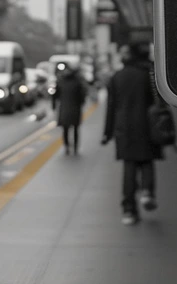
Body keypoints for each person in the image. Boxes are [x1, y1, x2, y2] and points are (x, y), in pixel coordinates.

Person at [101, 42, 162, 225]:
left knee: (129, 167)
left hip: (124, 128)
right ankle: (147, 192)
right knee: (147, 161)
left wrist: (107, 133)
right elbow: (158, 102)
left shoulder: (116, 78)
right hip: (146, 125)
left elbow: (111, 107)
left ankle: (129, 210)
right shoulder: (146, 75)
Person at [53, 66, 88, 155]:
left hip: (64, 109)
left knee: (65, 129)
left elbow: (55, 96)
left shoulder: (60, 82)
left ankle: (67, 147)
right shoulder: (77, 82)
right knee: (75, 129)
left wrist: (53, 105)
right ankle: (75, 147)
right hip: (75, 108)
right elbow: (82, 96)